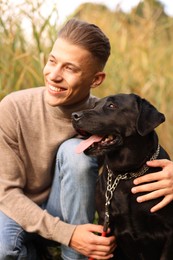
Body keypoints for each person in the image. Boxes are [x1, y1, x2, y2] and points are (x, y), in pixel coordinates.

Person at [0, 18, 173, 260]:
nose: (54, 75)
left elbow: (144, 146)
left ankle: (74, 257)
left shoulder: (105, 118)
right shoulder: (12, 109)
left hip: (64, 211)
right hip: (17, 211)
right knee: (4, 249)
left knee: (75, 153)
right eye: (52, 61)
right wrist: (68, 234)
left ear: (96, 80)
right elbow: (6, 194)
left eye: (69, 68)